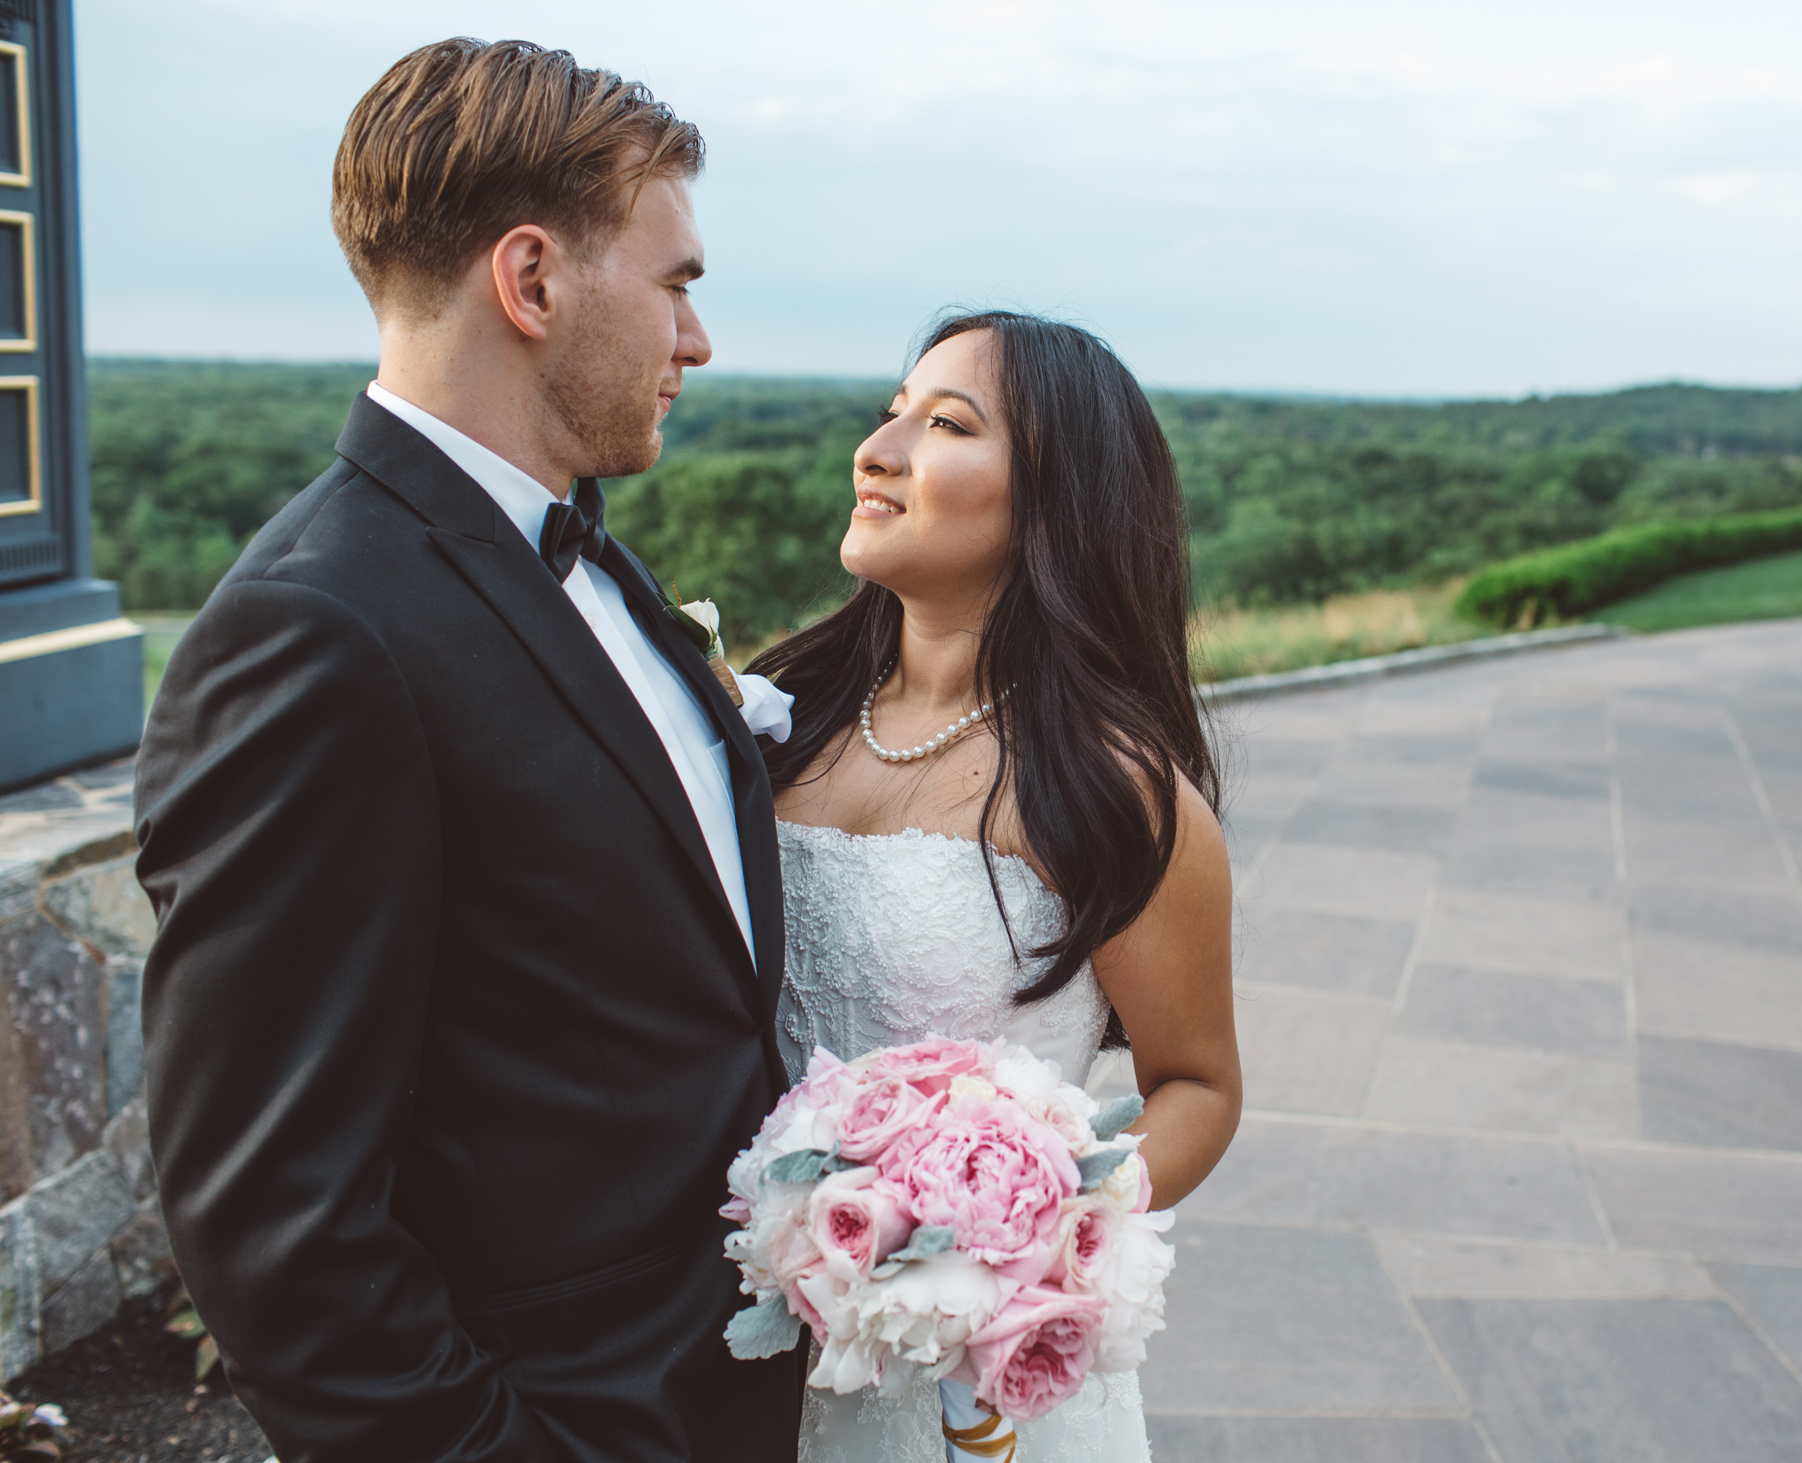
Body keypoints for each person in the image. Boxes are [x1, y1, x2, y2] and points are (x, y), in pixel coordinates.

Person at [132, 39, 802, 1462]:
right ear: (532, 280)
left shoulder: (590, 557)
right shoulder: (314, 633)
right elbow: (273, 1217)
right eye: (677, 282)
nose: (697, 341)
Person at [755, 311, 1243, 1461]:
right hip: (733, 1346)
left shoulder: (1110, 788)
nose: (878, 449)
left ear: (1053, 502)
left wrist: (1020, 1238)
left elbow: (1198, 1086)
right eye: (892, 410)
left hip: (968, 1387)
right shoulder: (775, 716)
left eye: (945, 423)